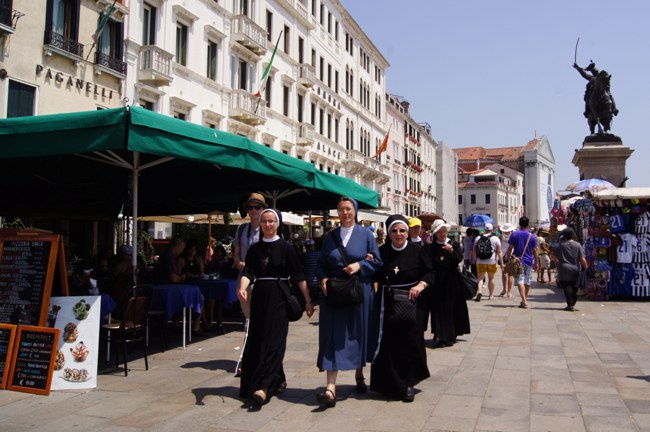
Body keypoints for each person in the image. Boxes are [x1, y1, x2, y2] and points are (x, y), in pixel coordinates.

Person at [237, 208, 314, 406]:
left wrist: (307, 300)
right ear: (261, 224)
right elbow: (248, 272)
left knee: (274, 343)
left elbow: (298, 276)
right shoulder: (255, 249)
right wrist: (243, 288)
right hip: (260, 297)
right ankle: (277, 380)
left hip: (279, 297)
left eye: (271, 221)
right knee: (258, 340)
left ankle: (264, 387)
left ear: (277, 223)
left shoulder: (287, 248)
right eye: (264, 222)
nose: (268, 225)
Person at [316, 196, 383, 408]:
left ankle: (359, 375)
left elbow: (378, 262)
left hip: (358, 291)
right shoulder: (330, 237)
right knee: (331, 335)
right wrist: (324, 278)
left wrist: (360, 266)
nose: (345, 213)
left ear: (355, 211)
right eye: (341, 209)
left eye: (348, 209)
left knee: (358, 333)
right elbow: (320, 264)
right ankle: (330, 387)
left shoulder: (366, 235)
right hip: (335, 292)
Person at [371, 214, 432, 402]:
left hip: (413, 302)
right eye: (394, 231)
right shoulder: (381, 252)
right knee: (389, 343)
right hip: (388, 303)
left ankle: (408, 384)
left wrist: (420, 285)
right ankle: (388, 384)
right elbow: (374, 274)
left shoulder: (417, 250)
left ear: (407, 232)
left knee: (410, 342)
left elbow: (430, 272)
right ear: (389, 233)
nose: (399, 234)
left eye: (402, 230)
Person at [233, 193, 267, 376]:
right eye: (250, 207)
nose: (253, 210)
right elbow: (236, 255)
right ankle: (248, 358)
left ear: (263, 209)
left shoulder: (267, 228)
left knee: (258, 321)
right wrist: (242, 265)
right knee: (249, 320)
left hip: (262, 281)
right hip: (244, 281)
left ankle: (250, 359)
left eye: (257, 207)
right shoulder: (241, 230)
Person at [427, 219, 470, 348]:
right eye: (440, 232)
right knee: (439, 310)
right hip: (437, 283)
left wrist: (451, 251)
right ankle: (440, 335)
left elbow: (458, 259)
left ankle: (450, 335)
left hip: (452, 282)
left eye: (444, 231)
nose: (442, 234)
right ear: (435, 233)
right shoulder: (431, 247)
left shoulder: (454, 244)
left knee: (451, 309)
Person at [505, 217, 539, 309]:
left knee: (520, 280)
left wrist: (508, 258)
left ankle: (524, 300)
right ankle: (524, 300)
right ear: (528, 224)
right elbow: (535, 250)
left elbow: (510, 248)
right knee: (527, 281)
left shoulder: (515, 234)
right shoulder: (532, 236)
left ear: (519, 224)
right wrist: (536, 262)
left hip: (517, 261)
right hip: (529, 261)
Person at [179, 239, 210, 334]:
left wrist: (200, 273)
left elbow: (202, 272)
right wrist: (187, 275)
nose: (192, 252)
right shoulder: (182, 260)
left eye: (194, 250)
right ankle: (198, 325)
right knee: (201, 299)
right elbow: (179, 275)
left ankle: (204, 322)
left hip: (199, 284)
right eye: (191, 249)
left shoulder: (198, 259)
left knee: (208, 297)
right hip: (186, 286)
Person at [556, 227, 588, 312]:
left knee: (566, 286)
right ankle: (572, 304)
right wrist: (586, 266)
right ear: (572, 235)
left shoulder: (561, 245)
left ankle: (570, 304)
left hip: (563, 268)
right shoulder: (577, 245)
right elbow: (582, 258)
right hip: (575, 268)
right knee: (575, 286)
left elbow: (554, 257)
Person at [473, 223, 503, 301]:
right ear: (492, 230)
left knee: (480, 278)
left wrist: (474, 259)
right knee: (491, 278)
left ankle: (479, 291)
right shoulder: (496, 239)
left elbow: (474, 250)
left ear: (485, 229)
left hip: (480, 261)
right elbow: (499, 252)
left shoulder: (478, 238)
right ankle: (491, 295)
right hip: (491, 261)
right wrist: (501, 262)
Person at [498, 223, 516, 297]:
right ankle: (509, 291)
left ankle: (504, 289)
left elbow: (498, 248)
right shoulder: (513, 236)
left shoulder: (500, 236)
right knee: (510, 275)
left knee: (503, 273)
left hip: (502, 256)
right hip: (511, 256)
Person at [302, 239, 321, 306]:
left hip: (310, 281)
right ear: (313, 246)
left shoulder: (304, 256)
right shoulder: (319, 254)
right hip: (319, 279)